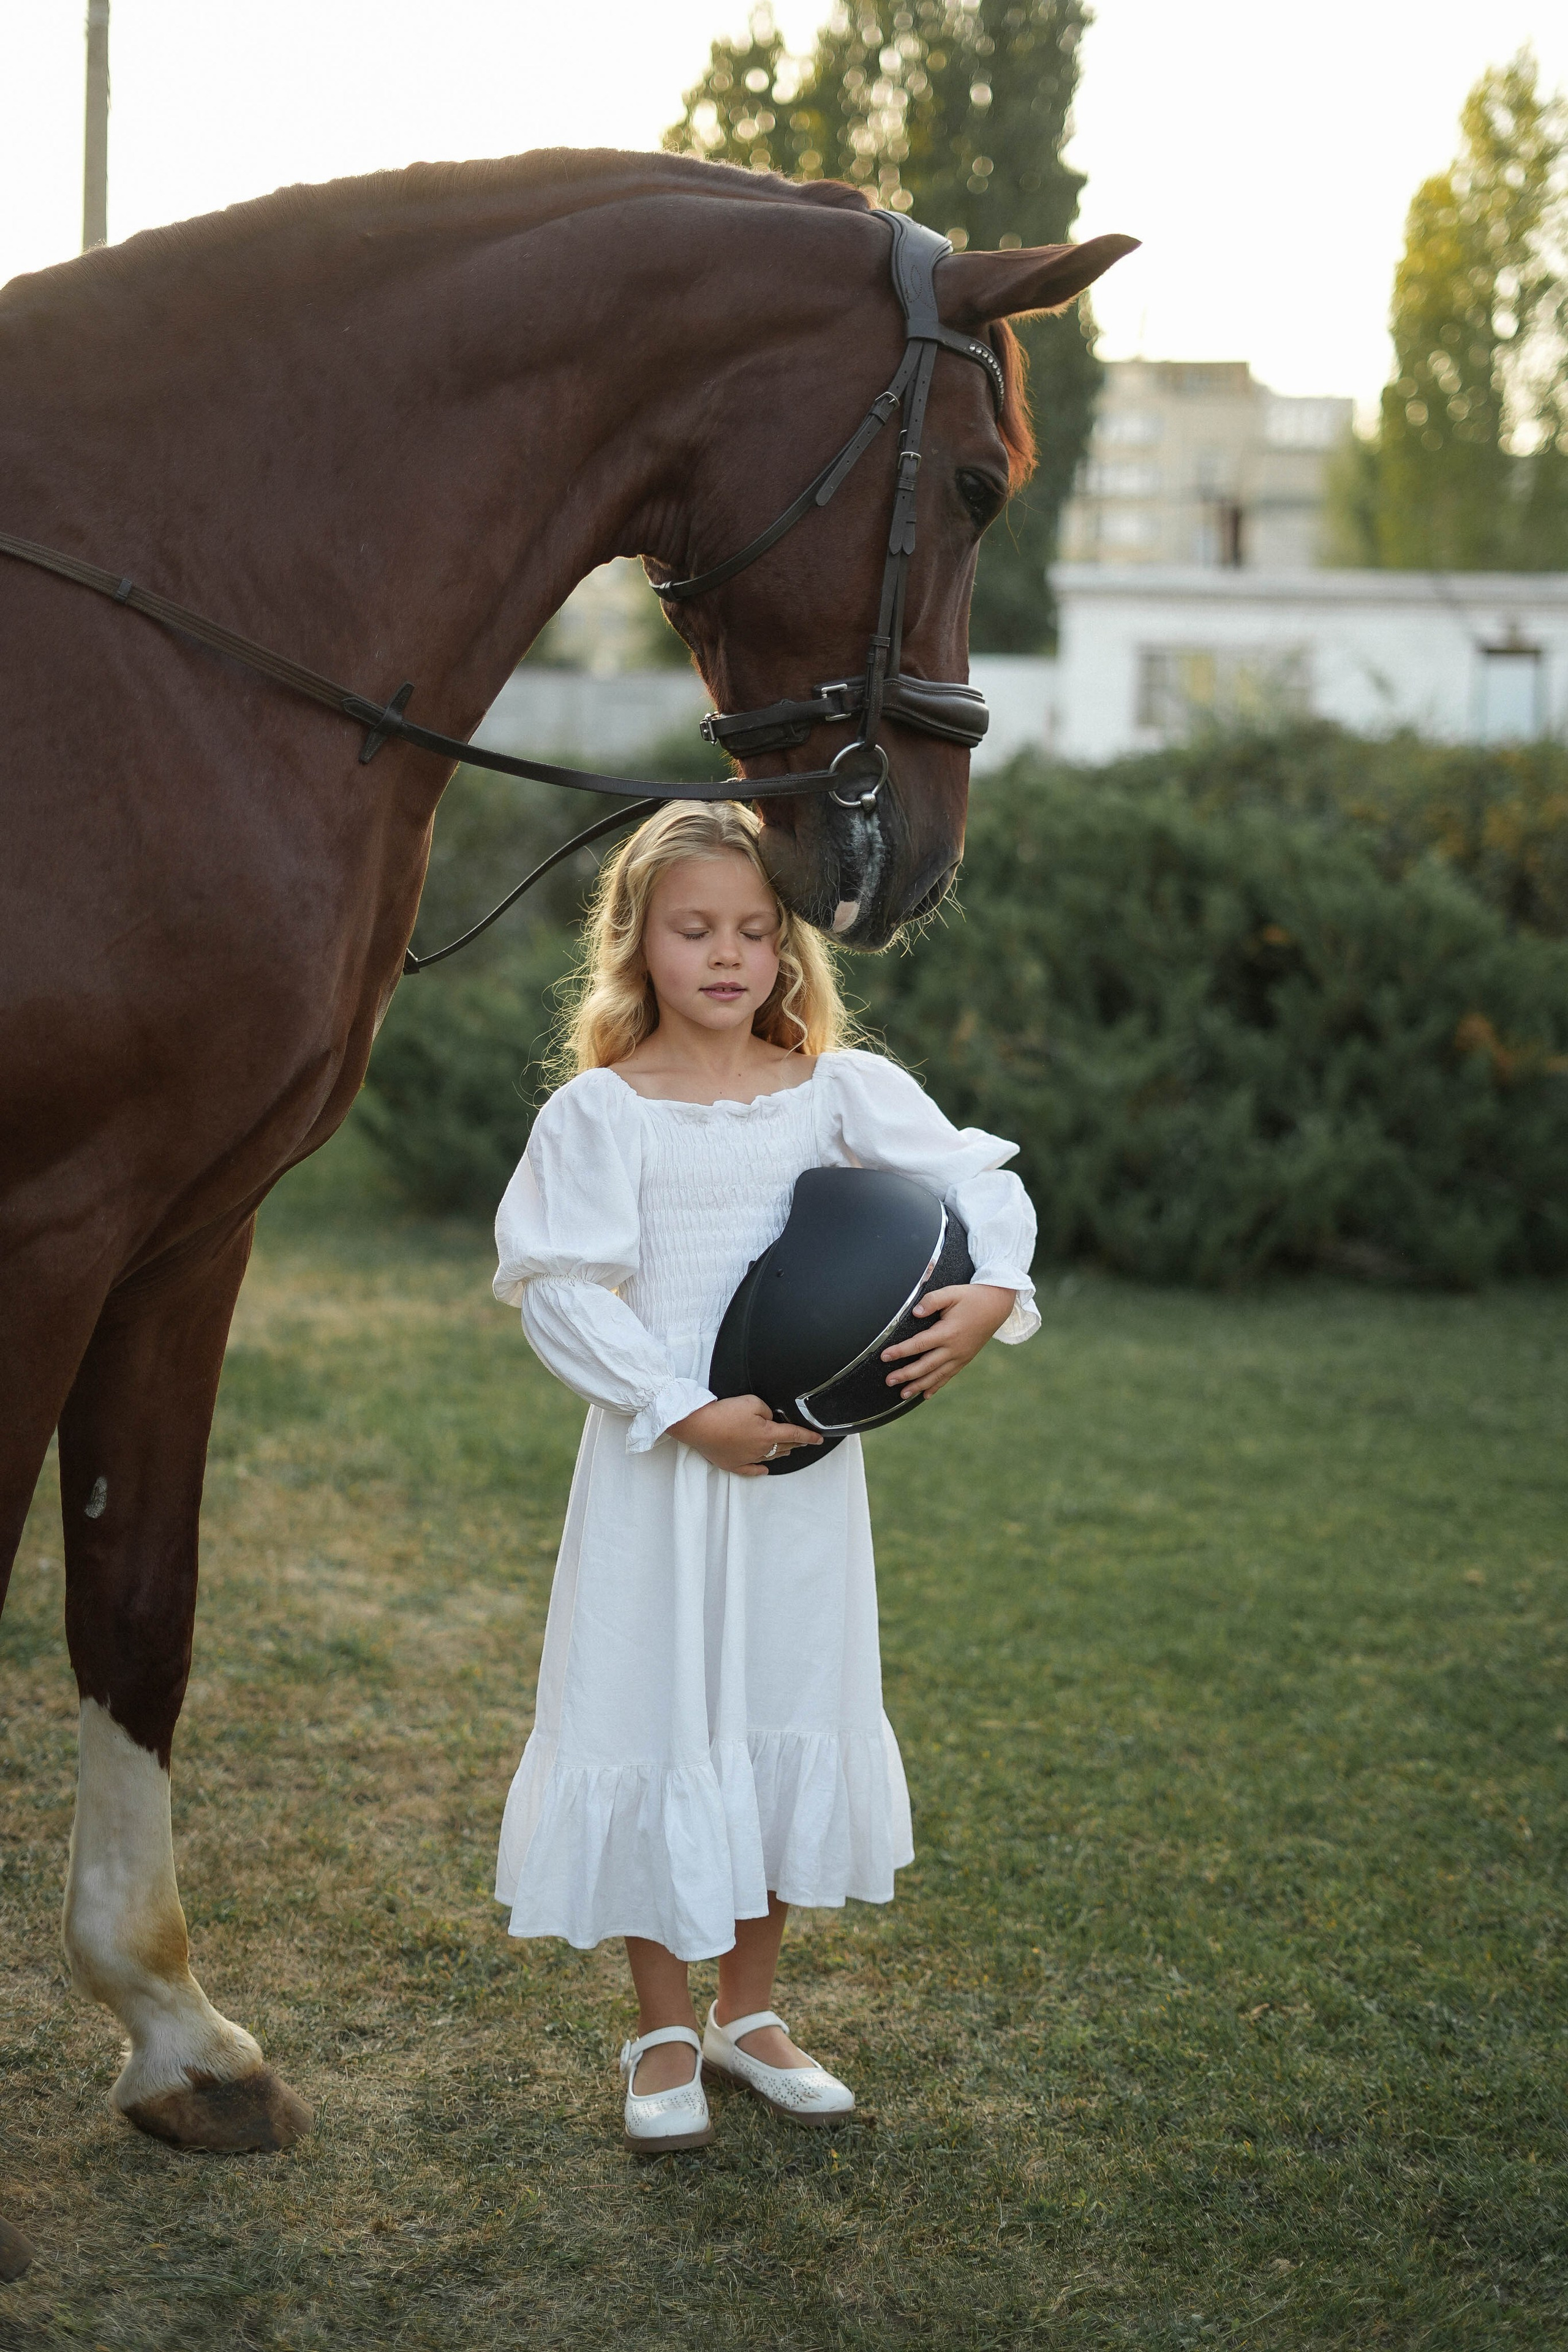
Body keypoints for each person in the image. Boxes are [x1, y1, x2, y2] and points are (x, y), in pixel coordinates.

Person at [492, 801, 1038, 2153]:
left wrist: (994, 1292)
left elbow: (978, 1185)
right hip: (663, 1469)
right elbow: (561, 1292)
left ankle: (750, 2012)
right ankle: (663, 2025)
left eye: (751, 929)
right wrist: (681, 1410)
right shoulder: (600, 1113)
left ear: (787, 948)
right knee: (657, 1714)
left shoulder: (835, 1092)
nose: (726, 956)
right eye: (693, 930)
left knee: (779, 1711)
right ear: (637, 943)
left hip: (796, 1470)